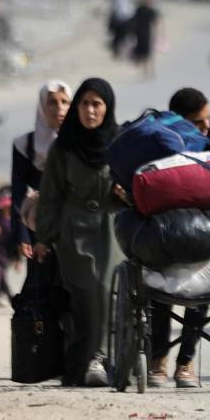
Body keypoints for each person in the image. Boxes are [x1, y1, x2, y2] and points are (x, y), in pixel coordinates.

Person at [147, 87, 210, 389]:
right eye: (198, 123)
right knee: (159, 289)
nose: (206, 127)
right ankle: (158, 359)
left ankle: (185, 361)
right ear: (178, 122)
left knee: (202, 286)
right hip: (166, 224)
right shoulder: (158, 137)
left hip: (202, 222)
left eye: (207, 119)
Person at [35, 78, 121, 387]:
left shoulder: (120, 143)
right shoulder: (64, 146)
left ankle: (107, 359)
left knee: (108, 290)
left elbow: (138, 182)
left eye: (97, 104)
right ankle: (86, 361)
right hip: (75, 226)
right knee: (86, 293)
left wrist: (126, 193)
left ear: (107, 107)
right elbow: (50, 194)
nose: (90, 110)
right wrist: (44, 237)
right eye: (84, 103)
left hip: (111, 225)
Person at [11, 81, 72, 261]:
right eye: (52, 102)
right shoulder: (25, 145)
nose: (59, 108)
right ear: (42, 106)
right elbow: (19, 191)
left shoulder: (80, 143)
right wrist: (21, 234)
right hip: (38, 226)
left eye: (64, 102)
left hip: (73, 225)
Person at [131, 0, 161, 78]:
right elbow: (134, 20)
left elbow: (155, 21)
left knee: (147, 53)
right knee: (142, 53)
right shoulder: (140, 10)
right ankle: (143, 70)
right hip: (140, 34)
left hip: (147, 34)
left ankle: (148, 71)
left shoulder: (150, 10)